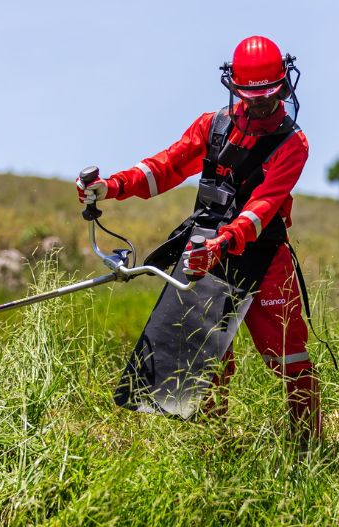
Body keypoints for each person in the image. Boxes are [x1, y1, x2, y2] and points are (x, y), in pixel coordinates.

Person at [77, 35, 320, 442]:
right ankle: (213, 449)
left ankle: (308, 448)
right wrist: (112, 186)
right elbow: (165, 167)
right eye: (252, 97)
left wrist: (224, 244)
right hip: (206, 247)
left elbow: (263, 206)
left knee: (289, 358)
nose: (261, 106)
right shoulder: (213, 126)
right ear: (233, 88)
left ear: (285, 85)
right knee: (205, 357)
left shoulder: (293, 143)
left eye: (270, 97)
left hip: (263, 255)